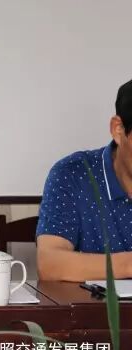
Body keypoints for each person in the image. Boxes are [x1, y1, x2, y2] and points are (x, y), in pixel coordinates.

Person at [37, 79, 132, 281]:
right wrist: (128, 265)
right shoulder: (73, 174)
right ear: (118, 129)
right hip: (93, 302)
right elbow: (50, 264)